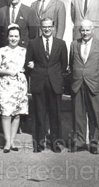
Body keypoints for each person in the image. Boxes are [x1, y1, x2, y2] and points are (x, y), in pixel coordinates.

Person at [25, 17, 68, 153]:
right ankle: (39, 143)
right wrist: (32, 67)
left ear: (53, 27)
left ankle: (55, 143)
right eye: (44, 27)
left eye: (49, 26)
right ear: (41, 28)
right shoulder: (33, 43)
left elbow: (64, 64)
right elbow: (28, 62)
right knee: (39, 114)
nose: (47, 29)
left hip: (55, 84)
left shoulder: (61, 44)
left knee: (55, 114)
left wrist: (55, 76)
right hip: (39, 83)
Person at [70, 19, 99, 154]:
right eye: (82, 30)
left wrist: (96, 77)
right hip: (78, 84)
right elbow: (72, 63)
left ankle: (93, 143)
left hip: (93, 84)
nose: (85, 33)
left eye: (87, 30)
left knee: (94, 114)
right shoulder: (74, 44)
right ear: (79, 31)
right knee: (78, 114)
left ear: (92, 30)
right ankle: (80, 142)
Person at [0, 24, 28, 153]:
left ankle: (12, 141)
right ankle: (7, 141)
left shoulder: (24, 51)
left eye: (16, 36)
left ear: (19, 37)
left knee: (17, 113)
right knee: (6, 112)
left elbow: (29, 65)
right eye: (11, 36)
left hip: (19, 84)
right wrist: (8, 72)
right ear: (7, 37)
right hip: (5, 83)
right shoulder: (1, 51)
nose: (13, 38)